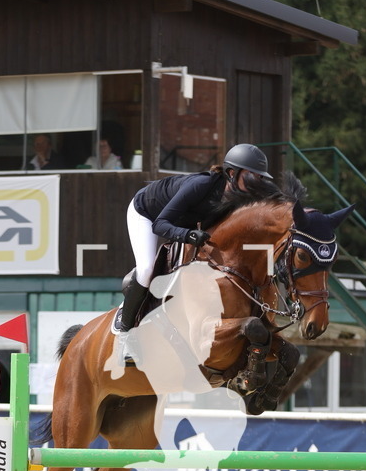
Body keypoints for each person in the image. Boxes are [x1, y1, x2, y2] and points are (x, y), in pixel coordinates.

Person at [113, 143, 275, 333]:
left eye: (259, 177)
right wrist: (187, 235)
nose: (257, 183)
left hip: (183, 221)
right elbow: (160, 224)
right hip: (147, 213)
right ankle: (126, 327)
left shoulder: (242, 199)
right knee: (146, 268)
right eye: (251, 176)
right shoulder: (201, 185)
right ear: (232, 173)